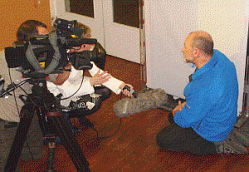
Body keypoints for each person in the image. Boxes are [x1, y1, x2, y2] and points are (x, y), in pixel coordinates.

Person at [156, 31, 240, 155]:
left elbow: (185, 120)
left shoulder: (203, 87)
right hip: (225, 119)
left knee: (163, 138)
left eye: (186, 46)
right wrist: (185, 105)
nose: (182, 49)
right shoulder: (219, 57)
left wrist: (179, 112)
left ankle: (217, 146)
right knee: (172, 116)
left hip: (213, 132)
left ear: (196, 52)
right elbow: (204, 100)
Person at [0, 20, 46, 172]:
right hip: (7, 118)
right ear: (29, 41)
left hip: (27, 110)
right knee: (8, 166)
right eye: (44, 37)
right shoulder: (5, 58)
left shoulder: (44, 56)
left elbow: (59, 81)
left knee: (35, 154)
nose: (49, 41)